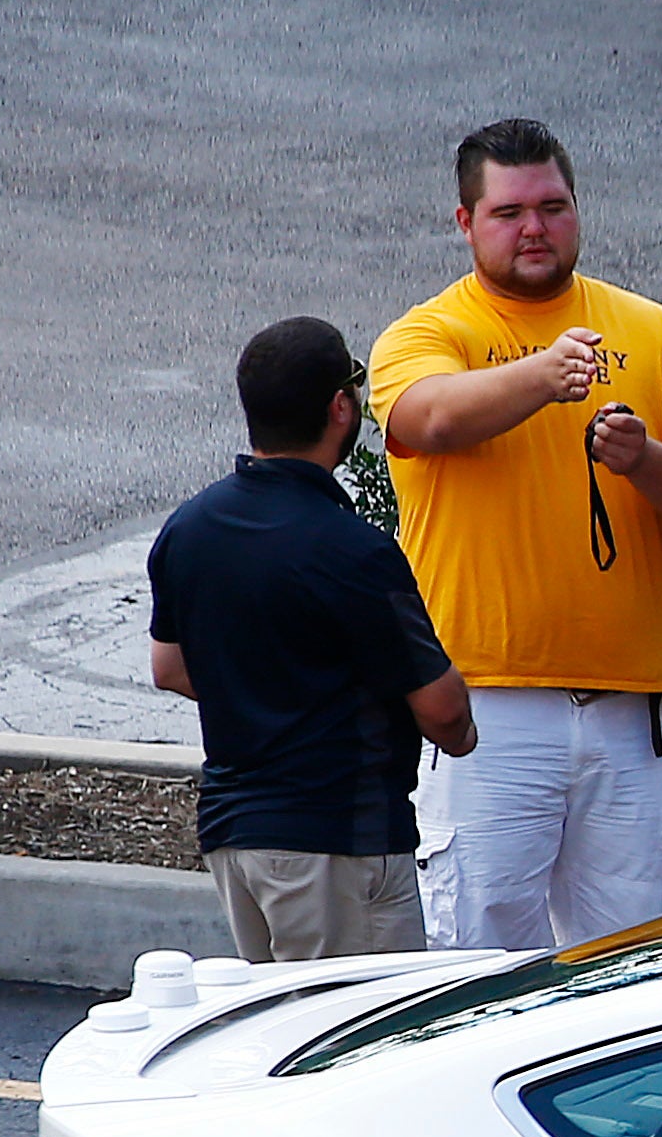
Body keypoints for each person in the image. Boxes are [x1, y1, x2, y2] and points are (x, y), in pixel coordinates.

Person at [370, 117, 662, 950]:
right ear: (465, 223)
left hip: (631, 716)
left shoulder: (653, 332)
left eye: (553, 206)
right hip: (488, 712)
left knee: (640, 968)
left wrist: (647, 460)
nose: (534, 227)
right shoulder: (431, 334)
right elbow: (423, 418)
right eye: (508, 212)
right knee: (475, 964)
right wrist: (541, 377)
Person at [147, 319, 478, 962]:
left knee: (278, 1037)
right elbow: (442, 713)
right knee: (361, 1045)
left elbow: (169, 666)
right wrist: (463, 732)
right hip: (338, 843)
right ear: (340, 408)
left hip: (231, 837)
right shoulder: (354, 550)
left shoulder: (189, 528)